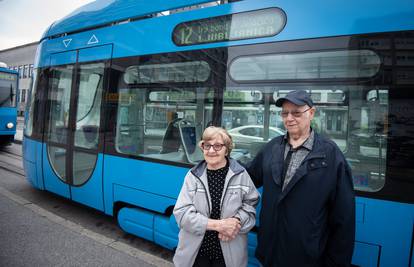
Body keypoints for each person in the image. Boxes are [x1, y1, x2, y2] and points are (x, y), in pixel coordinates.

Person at [247, 90, 355, 267]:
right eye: (284, 113)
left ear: (311, 113)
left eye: (296, 113)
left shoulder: (330, 155)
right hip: (270, 251)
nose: (289, 118)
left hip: (306, 257)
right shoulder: (272, 147)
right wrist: (220, 163)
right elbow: (248, 178)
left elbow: (343, 217)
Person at [173, 126, 260, 267]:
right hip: (196, 254)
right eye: (207, 145)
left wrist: (236, 222)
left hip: (228, 255)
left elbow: (250, 206)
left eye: (218, 146)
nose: (212, 150)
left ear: (227, 149)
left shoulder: (241, 175)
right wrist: (219, 225)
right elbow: (181, 214)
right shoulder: (193, 176)